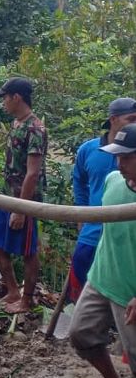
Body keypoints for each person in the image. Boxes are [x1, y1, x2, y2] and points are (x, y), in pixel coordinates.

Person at [69, 123, 136, 378]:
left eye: (126, 157)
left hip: (130, 292)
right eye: (116, 156)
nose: (118, 163)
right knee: (80, 334)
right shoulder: (113, 181)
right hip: (102, 278)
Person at [0, 77, 47, 313]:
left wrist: (21, 209)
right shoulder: (16, 123)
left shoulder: (35, 128)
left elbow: (32, 173)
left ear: (17, 97)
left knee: (27, 251)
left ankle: (27, 300)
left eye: (5, 97)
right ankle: (13, 290)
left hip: (25, 200)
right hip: (7, 196)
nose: (2, 102)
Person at [69, 97, 136, 302]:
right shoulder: (89, 150)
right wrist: (82, 213)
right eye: (131, 118)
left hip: (127, 233)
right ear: (113, 119)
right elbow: (79, 181)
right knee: (83, 271)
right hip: (93, 228)